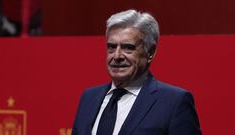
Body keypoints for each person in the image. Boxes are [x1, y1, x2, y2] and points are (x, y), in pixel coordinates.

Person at [72, 9, 202, 135]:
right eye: (111, 47)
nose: (117, 56)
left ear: (150, 52)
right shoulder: (89, 97)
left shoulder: (174, 102)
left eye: (128, 48)